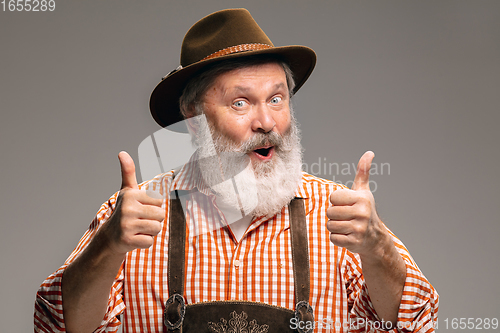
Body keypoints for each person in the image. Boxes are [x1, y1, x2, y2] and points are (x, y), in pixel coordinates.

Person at [35, 8, 438, 333]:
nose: (267, 122)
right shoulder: (131, 218)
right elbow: (57, 326)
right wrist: (108, 246)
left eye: (276, 99)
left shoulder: (340, 216)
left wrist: (376, 246)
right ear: (194, 119)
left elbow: (417, 322)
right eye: (241, 103)